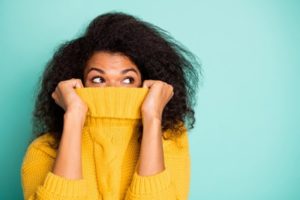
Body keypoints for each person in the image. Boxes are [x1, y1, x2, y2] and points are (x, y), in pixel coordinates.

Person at [21, 12, 201, 200]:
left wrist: (153, 117)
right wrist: (73, 117)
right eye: (98, 79)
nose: (113, 89)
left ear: (147, 82)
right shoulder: (44, 150)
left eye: (128, 79)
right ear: (77, 82)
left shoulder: (169, 141)